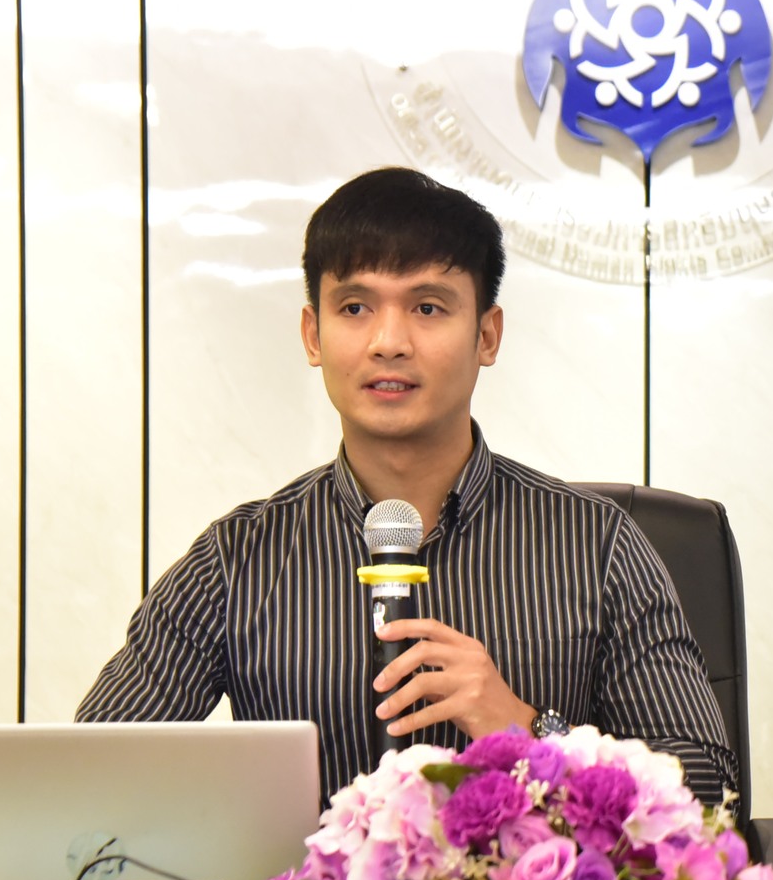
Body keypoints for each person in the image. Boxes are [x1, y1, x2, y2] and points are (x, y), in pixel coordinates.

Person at [79, 167, 737, 806]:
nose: (389, 342)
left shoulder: (595, 544)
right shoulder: (239, 558)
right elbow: (87, 777)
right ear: (313, 334)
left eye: (427, 307)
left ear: (487, 335)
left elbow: (709, 788)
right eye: (355, 307)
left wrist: (526, 728)